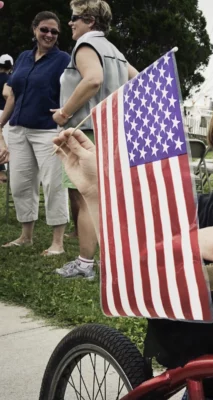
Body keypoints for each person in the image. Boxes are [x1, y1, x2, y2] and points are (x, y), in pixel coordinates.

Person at [53, 74, 213, 400]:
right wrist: (94, 190)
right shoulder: (196, 209)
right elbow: (130, 263)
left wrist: (156, 246)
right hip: (201, 381)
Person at [53, 0, 138, 279]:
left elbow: (93, 80)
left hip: (85, 133)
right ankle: (113, 261)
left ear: (89, 20)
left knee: (87, 197)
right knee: (108, 197)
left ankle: (85, 264)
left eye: (75, 17)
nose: (70, 23)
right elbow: (137, 81)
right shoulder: (115, 51)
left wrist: (65, 113)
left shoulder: (86, 46)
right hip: (110, 131)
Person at [0, 12, 70, 255]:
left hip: (48, 131)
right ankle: (25, 236)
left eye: (54, 31)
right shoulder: (22, 57)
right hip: (18, 128)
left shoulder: (64, 60)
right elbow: (13, 95)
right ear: (34, 30)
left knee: (54, 185)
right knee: (20, 184)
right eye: (44, 29)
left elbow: (74, 90)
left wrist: (64, 112)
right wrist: (1, 123)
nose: (49, 34)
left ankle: (57, 243)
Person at [0, 53, 13, 183]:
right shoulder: (10, 79)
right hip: (5, 113)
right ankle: (9, 171)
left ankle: (1, 171)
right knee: (7, 142)